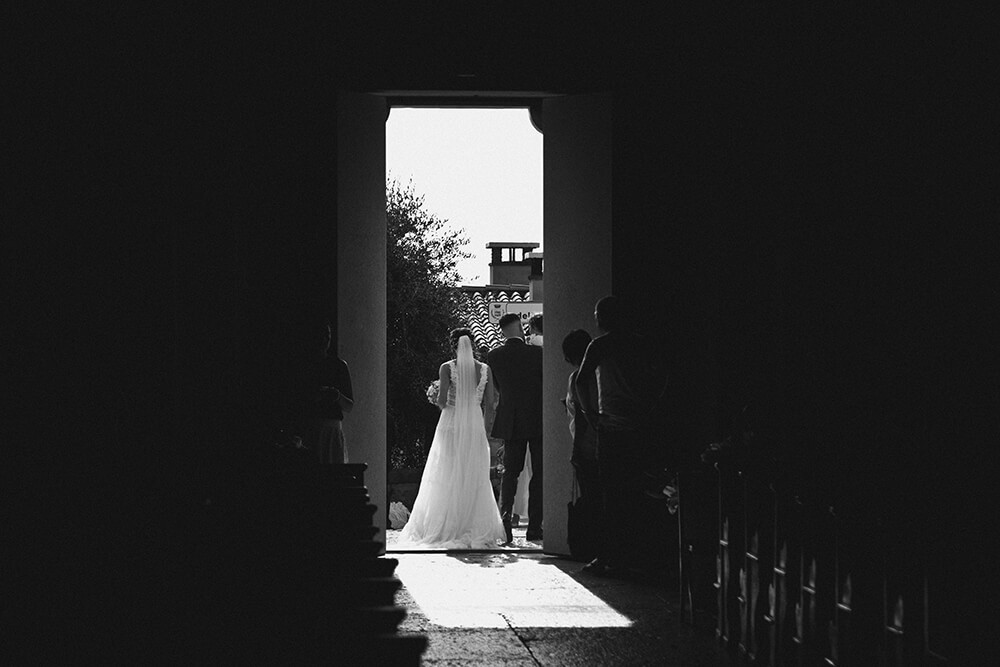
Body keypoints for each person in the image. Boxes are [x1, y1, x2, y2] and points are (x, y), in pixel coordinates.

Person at [576, 296, 667, 575]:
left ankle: (610, 557)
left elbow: (581, 380)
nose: (595, 318)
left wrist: (590, 414)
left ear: (604, 317)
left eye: (597, 313)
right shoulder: (642, 343)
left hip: (611, 428)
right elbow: (662, 376)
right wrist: (653, 406)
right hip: (641, 426)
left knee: (610, 494)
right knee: (640, 491)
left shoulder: (600, 345)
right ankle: (638, 555)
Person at [399, 329, 506, 548]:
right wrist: (485, 430)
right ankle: (472, 524)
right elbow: (491, 403)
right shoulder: (485, 369)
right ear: (472, 344)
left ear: (452, 345)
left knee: (446, 470)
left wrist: (434, 393)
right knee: (473, 473)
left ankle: (446, 524)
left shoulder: (447, 368)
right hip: (474, 423)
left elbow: (442, 400)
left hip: (451, 423)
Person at [488, 313, 544, 543]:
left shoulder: (494, 356)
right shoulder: (538, 354)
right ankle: (534, 528)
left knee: (510, 473)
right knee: (539, 473)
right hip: (536, 416)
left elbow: (498, 388)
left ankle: (506, 522)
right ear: (521, 329)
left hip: (510, 419)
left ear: (501, 331)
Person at [300, 321, 354, 464]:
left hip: (332, 431)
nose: (324, 340)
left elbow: (349, 405)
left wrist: (335, 395)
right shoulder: (305, 367)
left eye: (327, 336)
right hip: (311, 429)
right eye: (321, 335)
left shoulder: (339, 367)